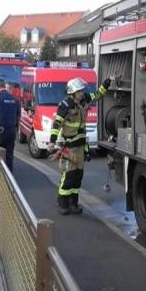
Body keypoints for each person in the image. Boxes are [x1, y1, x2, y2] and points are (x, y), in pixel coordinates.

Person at [48, 76, 111, 215]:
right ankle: (63, 203)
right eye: (80, 91)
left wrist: (106, 85)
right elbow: (57, 123)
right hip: (69, 147)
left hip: (81, 146)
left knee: (78, 176)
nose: (82, 93)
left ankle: (74, 204)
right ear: (73, 92)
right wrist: (52, 141)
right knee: (69, 175)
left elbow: (97, 95)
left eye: (82, 91)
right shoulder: (65, 105)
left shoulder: (84, 100)